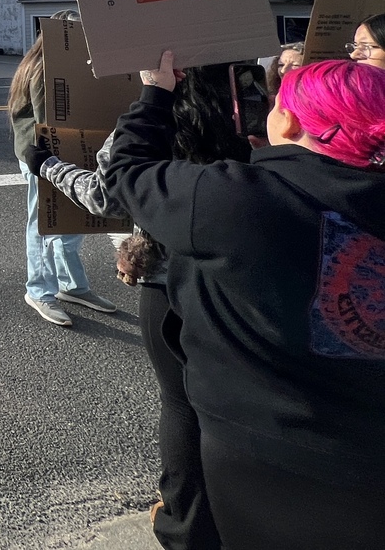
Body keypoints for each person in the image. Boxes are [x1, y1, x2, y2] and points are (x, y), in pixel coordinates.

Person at [102, 55, 385, 550]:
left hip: (265, 452)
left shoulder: (235, 199)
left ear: (290, 121)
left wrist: (156, 91)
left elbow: (127, 171)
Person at [36, 62, 256, 550]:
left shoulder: (149, 122)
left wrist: (45, 165)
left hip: (165, 278)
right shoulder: (255, 114)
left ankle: (188, 522)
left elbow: (108, 195)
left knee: (180, 402)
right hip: (240, 276)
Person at [8, 20, 117, 327]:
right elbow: (50, 123)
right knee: (44, 223)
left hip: (57, 155)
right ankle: (40, 291)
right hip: (40, 157)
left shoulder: (53, 66)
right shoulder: (44, 69)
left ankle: (72, 285)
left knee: (70, 222)